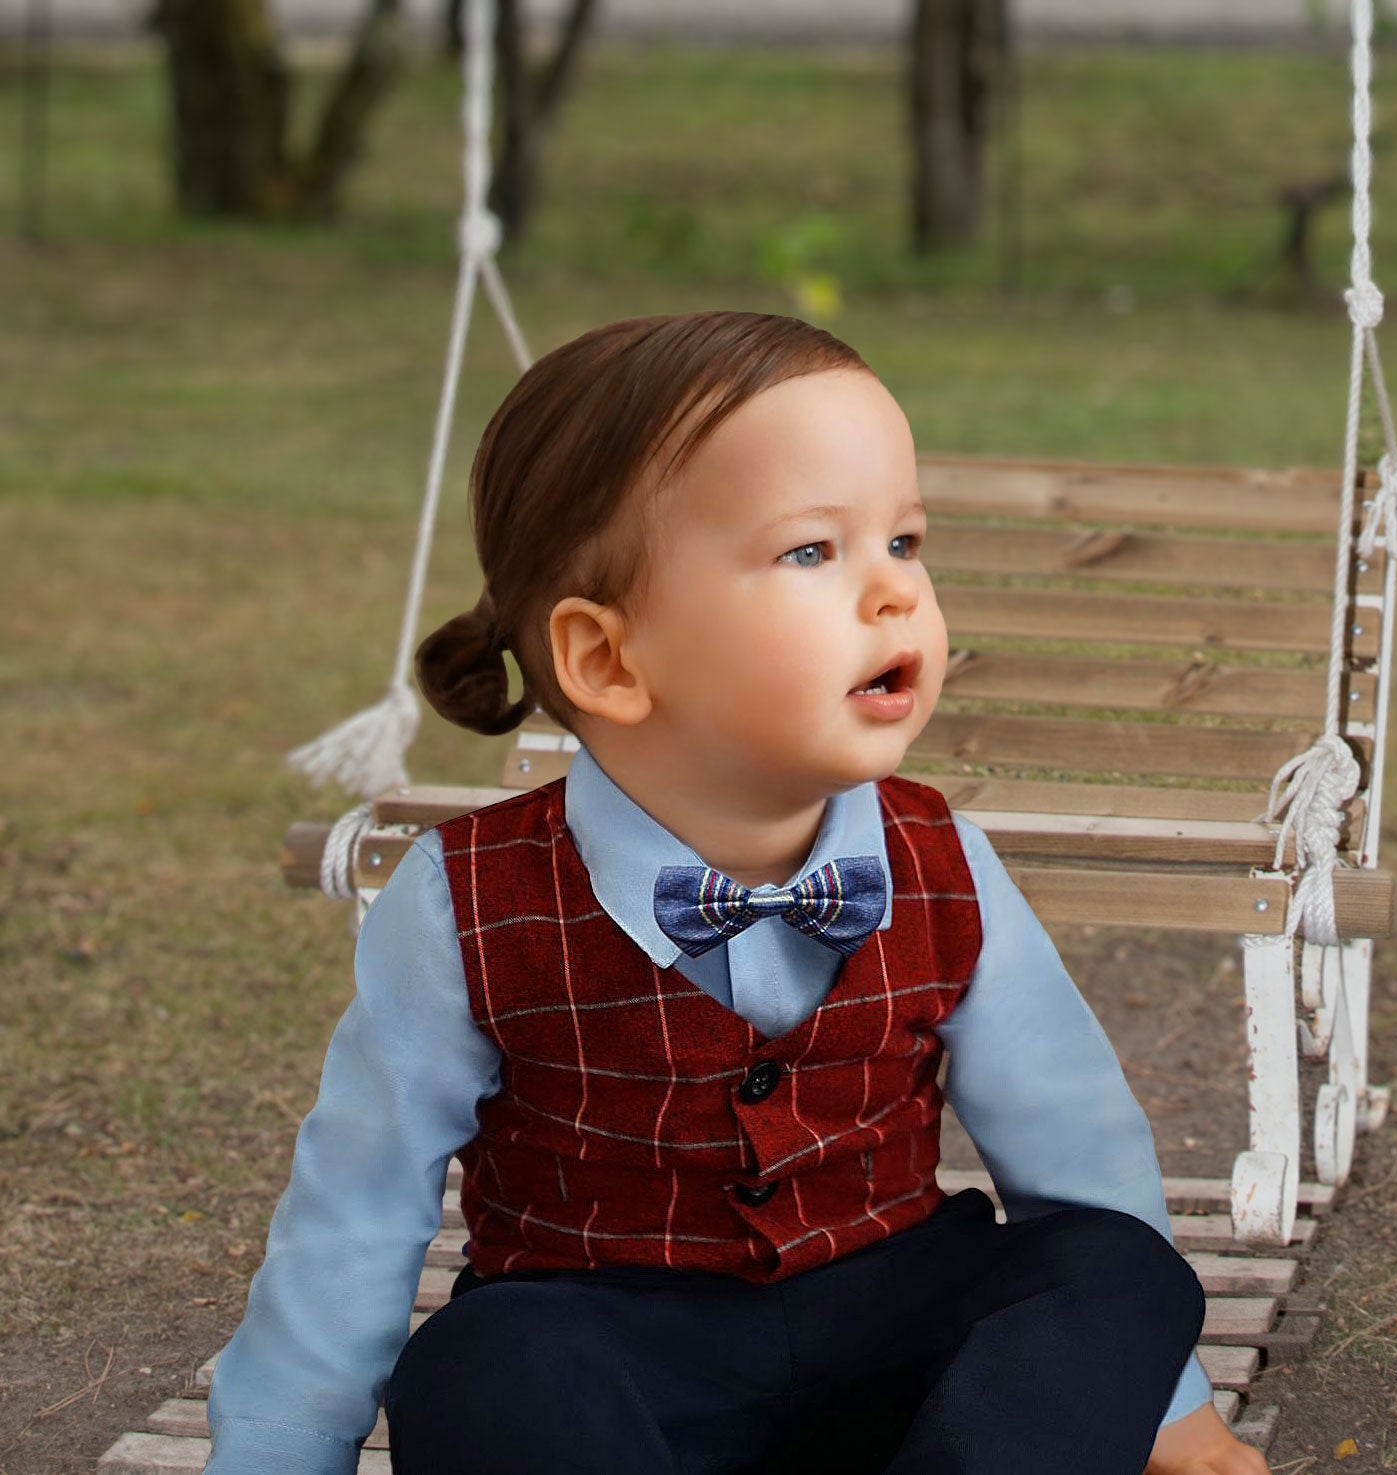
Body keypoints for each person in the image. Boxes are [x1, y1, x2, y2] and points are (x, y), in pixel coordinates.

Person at [205, 311, 1273, 1474]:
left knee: (1112, 1267)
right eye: (813, 551)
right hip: (625, 1353)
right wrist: (278, 1452)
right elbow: (356, 1215)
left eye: (905, 542)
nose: (892, 595)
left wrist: (1171, 1411)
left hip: (897, 1335)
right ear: (609, 660)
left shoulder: (943, 860)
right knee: (486, 1364)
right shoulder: (464, 901)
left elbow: (1071, 1139)